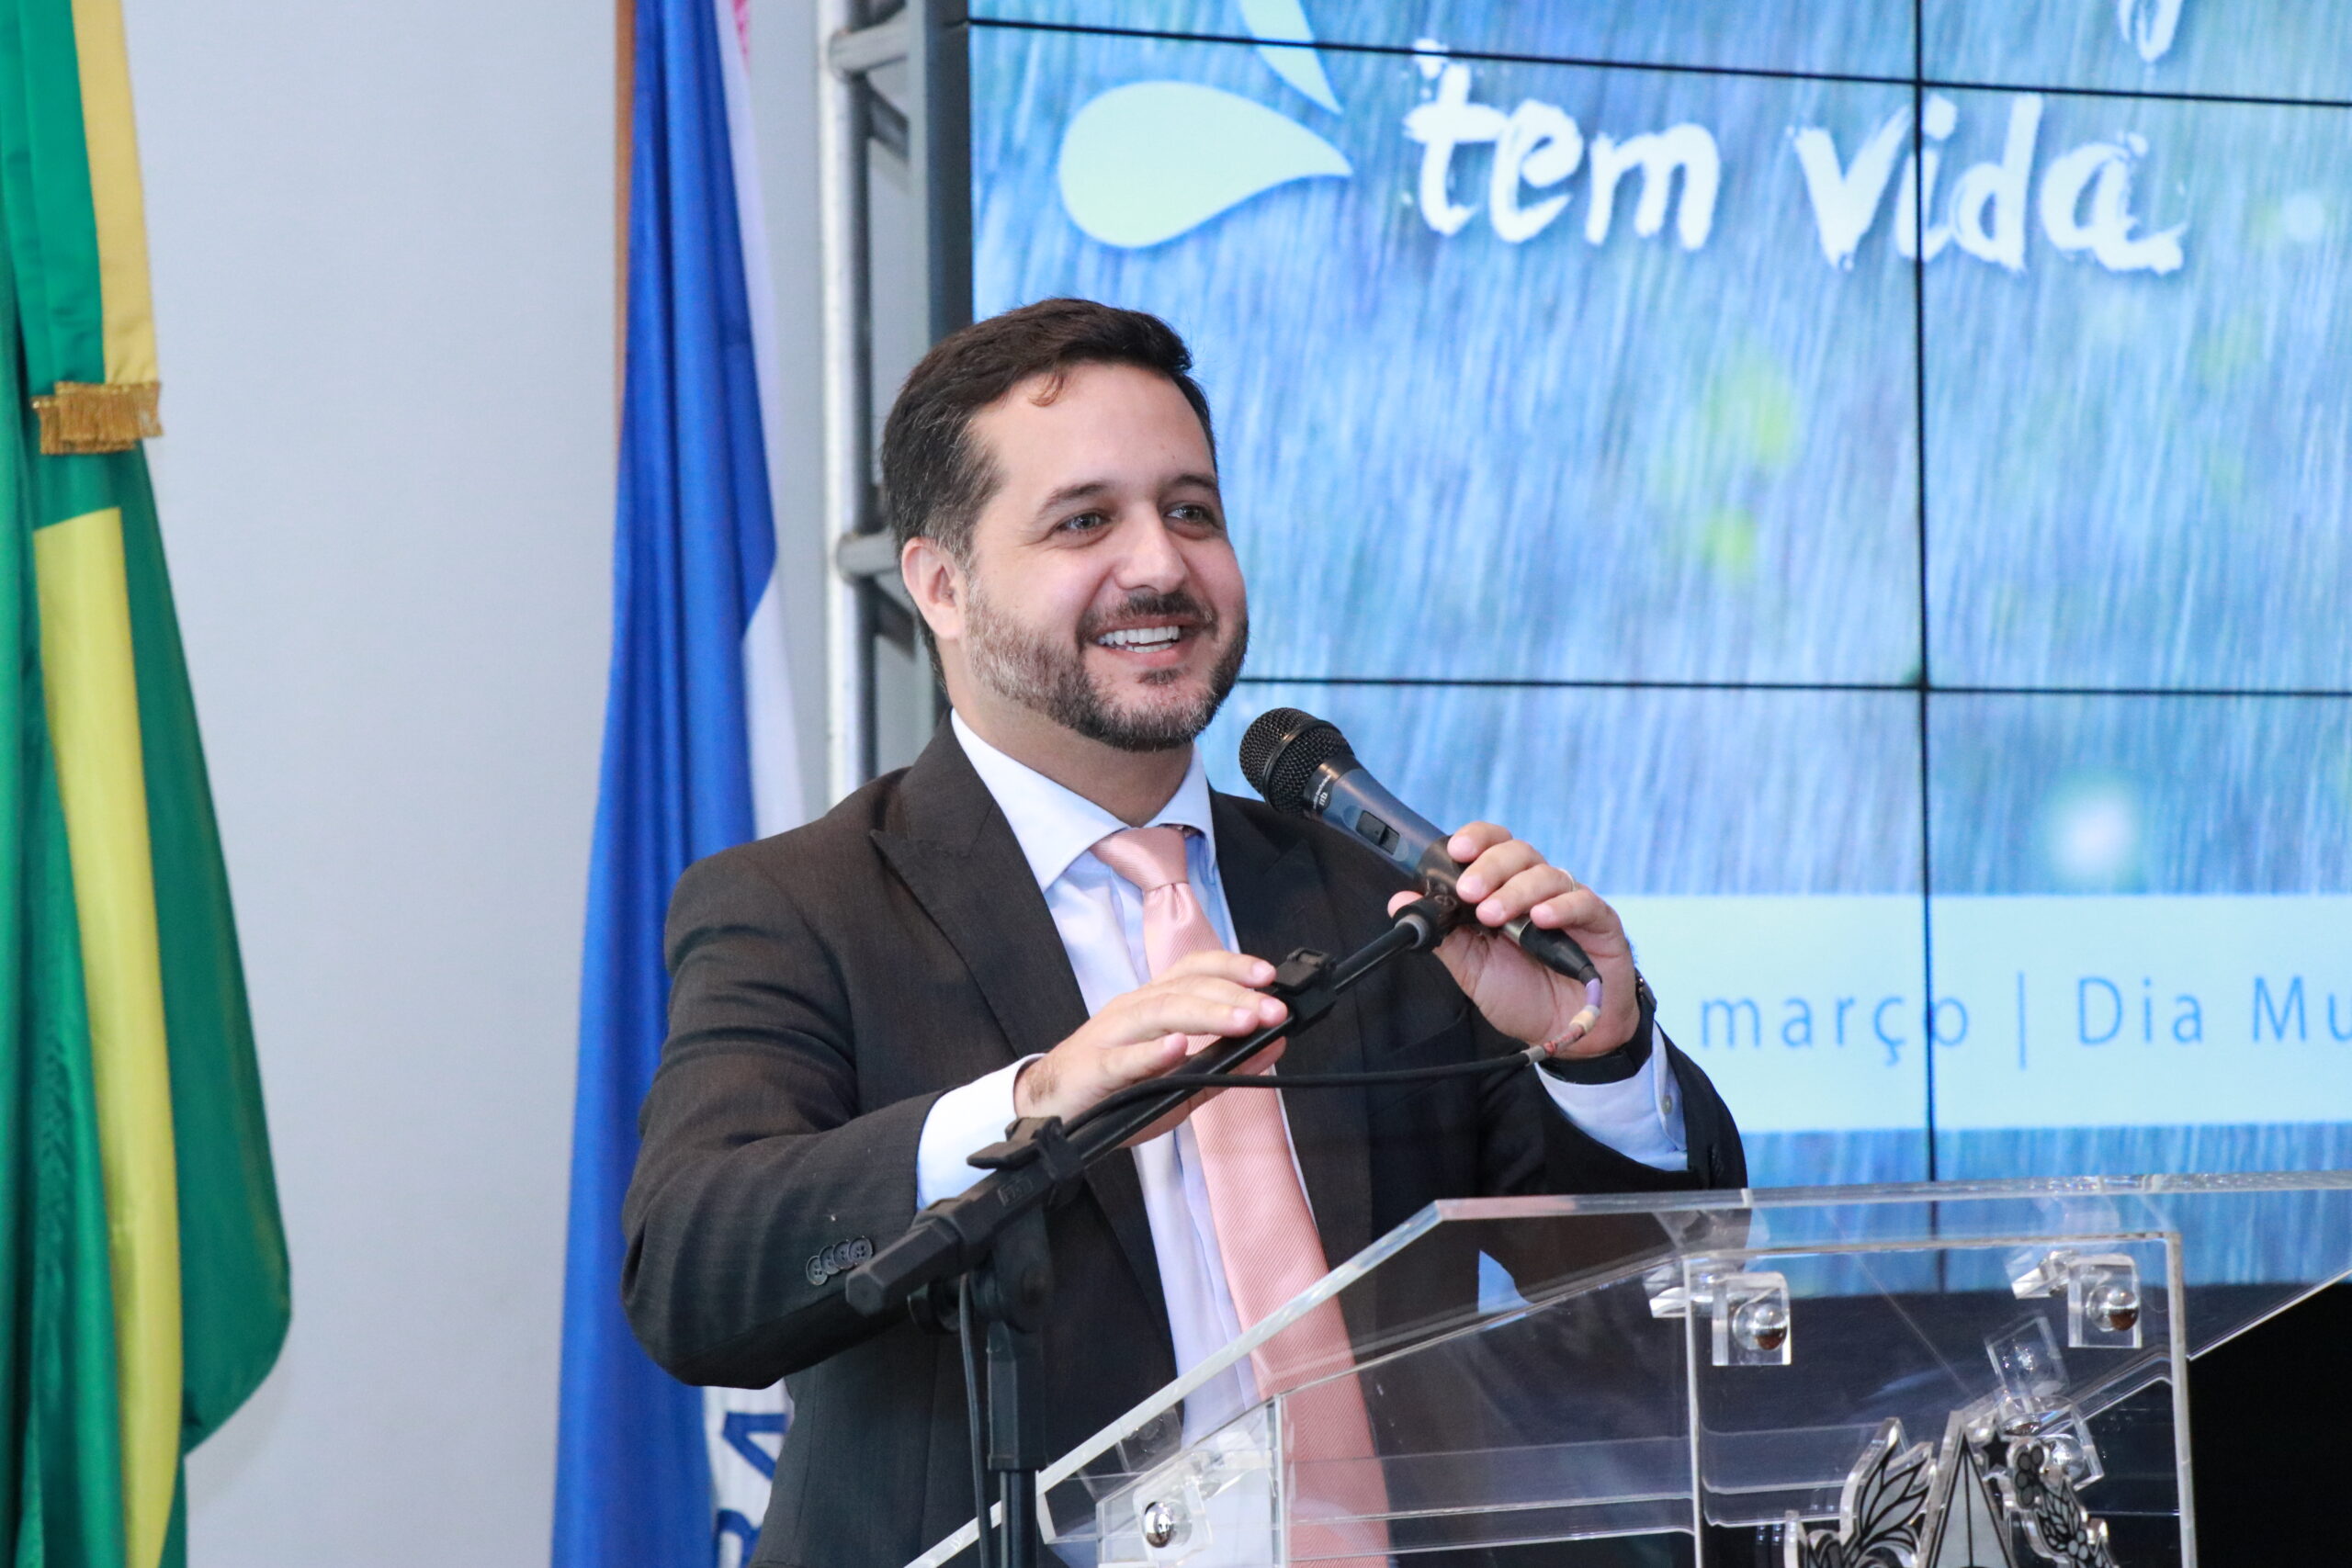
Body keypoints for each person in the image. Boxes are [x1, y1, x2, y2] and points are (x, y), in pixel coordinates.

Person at [622, 299, 1744, 1568]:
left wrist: (1595, 1058)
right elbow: (692, 1274)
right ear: (941, 585)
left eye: (1192, 511)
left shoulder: (1382, 904)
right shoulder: (805, 903)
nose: (1160, 564)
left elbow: (1647, 1329)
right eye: (1084, 521)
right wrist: (1031, 1105)